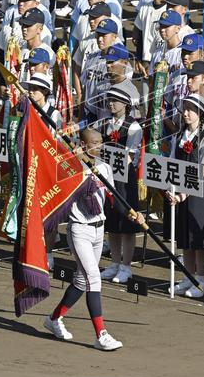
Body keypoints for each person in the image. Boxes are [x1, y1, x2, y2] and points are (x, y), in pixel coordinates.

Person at [44, 128, 136, 351]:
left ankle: (54, 318)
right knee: (93, 278)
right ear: (83, 145)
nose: (99, 146)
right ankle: (101, 334)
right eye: (93, 142)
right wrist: (74, 159)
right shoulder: (72, 166)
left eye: (100, 142)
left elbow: (113, 197)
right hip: (79, 230)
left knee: (81, 280)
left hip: (98, 229)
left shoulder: (104, 167)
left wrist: (132, 212)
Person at [168, 94, 204, 298]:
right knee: (186, 238)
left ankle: (201, 281)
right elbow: (173, 161)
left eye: (191, 109)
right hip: (181, 192)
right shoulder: (180, 135)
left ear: (201, 114)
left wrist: (183, 193)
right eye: (185, 109)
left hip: (198, 195)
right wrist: (171, 187)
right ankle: (187, 277)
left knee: (199, 239)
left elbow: (203, 170)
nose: (187, 113)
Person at [97, 86, 142, 285]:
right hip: (109, 177)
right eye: (109, 100)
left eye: (115, 100)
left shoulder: (133, 127)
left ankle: (126, 266)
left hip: (125, 180)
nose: (111, 103)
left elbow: (130, 157)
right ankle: (114, 263)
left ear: (125, 104)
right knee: (112, 223)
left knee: (127, 224)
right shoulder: (106, 123)